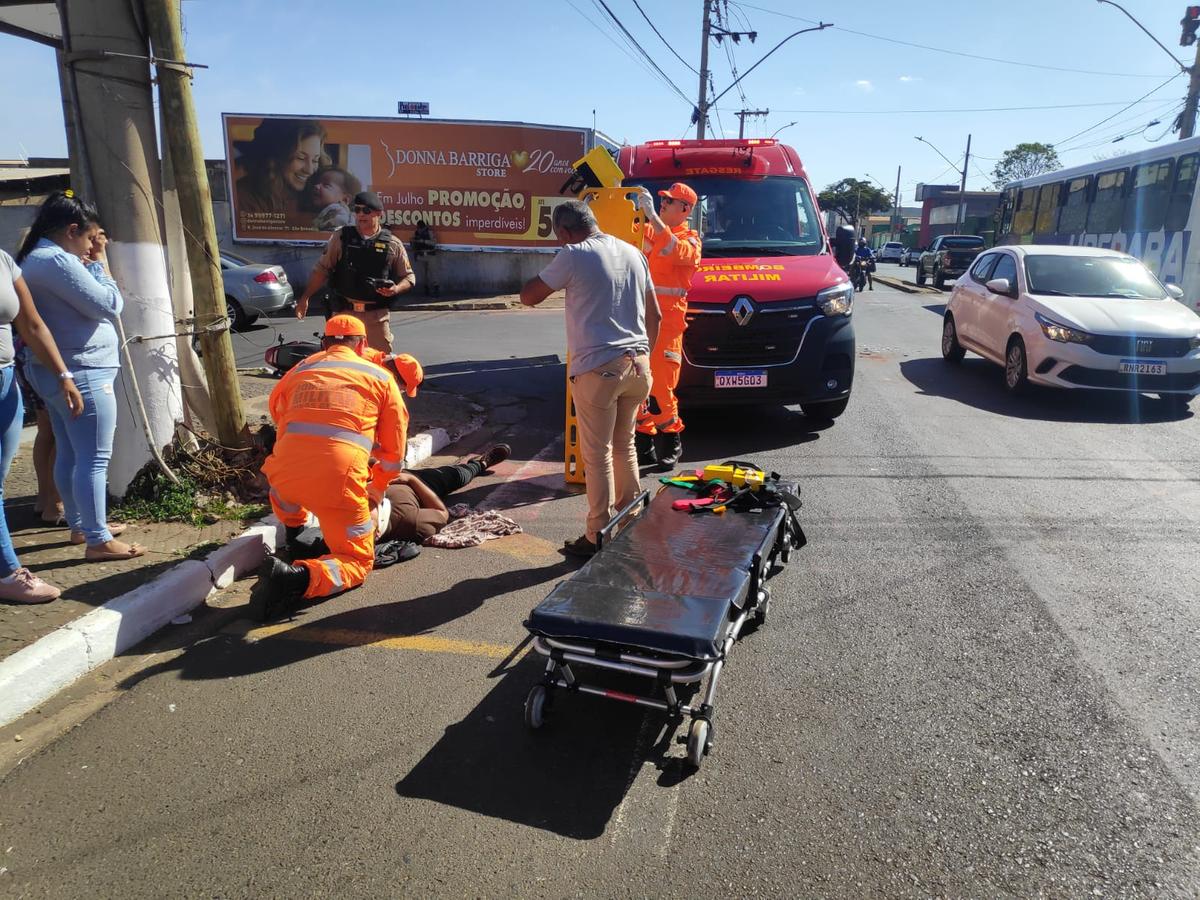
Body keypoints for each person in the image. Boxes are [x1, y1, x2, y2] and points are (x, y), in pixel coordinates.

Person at [520, 200, 660, 558]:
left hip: (599, 369)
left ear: (565, 231)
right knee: (625, 445)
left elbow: (529, 297)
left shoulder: (573, 253)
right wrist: (643, 357)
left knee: (597, 456)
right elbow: (655, 314)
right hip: (639, 366)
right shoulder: (633, 252)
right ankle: (631, 521)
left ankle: (598, 534)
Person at [16, 191, 144, 561]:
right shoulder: (56, 260)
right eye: (90, 238)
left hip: (60, 371)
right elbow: (110, 305)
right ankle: (97, 539)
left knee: (71, 452)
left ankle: (82, 525)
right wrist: (99, 262)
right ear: (72, 230)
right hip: (83, 371)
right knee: (93, 457)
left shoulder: (36, 258)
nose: (91, 246)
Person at [254, 314, 406, 618]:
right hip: (338, 482)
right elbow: (394, 455)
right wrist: (375, 490)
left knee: (287, 490)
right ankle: (297, 578)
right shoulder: (380, 377)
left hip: (284, 475)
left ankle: (295, 536)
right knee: (357, 561)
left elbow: (276, 408)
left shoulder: (301, 368)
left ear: (325, 341)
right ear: (362, 344)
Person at [0, 246, 84, 602]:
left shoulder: (3, 260)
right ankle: (7, 573)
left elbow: (32, 324)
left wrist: (63, 374)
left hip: (5, 383)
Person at [633, 182, 701, 470]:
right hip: (638, 319)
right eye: (661, 199)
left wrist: (651, 215)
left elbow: (675, 251)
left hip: (668, 324)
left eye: (669, 201)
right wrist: (634, 214)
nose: (662, 202)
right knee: (636, 383)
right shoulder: (648, 231)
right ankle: (643, 440)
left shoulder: (691, 240)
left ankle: (671, 438)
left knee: (661, 386)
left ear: (685, 209)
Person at [295, 191, 415, 353]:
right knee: (339, 361)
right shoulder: (341, 238)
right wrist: (305, 298)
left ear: (379, 213)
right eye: (357, 210)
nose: (360, 214)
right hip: (344, 314)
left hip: (376, 317)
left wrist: (396, 289)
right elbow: (322, 269)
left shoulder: (393, 244)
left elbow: (409, 276)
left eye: (366, 210)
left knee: (379, 363)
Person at [381, 444, 510, 543]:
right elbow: (441, 513)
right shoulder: (408, 521)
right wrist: (412, 481)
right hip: (420, 484)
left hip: (383, 472)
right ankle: (479, 464)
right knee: (456, 476)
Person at [234, 118, 327, 226]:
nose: (310, 170)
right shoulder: (244, 197)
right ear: (276, 157)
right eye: (300, 158)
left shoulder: (315, 194)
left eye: (315, 160)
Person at [308, 166, 361, 232]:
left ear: (344, 200)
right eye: (318, 183)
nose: (316, 186)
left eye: (326, 185)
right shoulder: (329, 211)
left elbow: (341, 225)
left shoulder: (338, 210)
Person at [411, 220, 440, 297]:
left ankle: (436, 289)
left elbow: (434, 243)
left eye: (421, 228)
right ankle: (426, 289)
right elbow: (414, 245)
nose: (419, 229)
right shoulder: (416, 233)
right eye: (418, 228)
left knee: (433, 273)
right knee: (423, 274)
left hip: (430, 254)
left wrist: (423, 241)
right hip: (421, 255)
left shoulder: (429, 232)